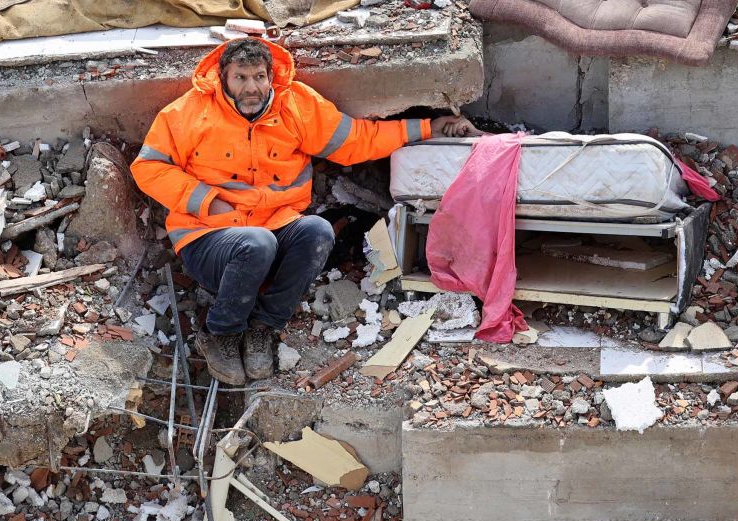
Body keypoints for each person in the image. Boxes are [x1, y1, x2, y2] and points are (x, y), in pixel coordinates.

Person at [131, 37, 480, 385]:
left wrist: (427, 128)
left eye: (259, 77)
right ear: (223, 77)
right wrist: (207, 201)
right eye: (241, 78)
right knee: (257, 244)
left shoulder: (296, 105)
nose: (251, 87)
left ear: (271, 77)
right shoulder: (189, 111)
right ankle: (221, 334)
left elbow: (356, 140)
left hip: (274, 231)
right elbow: (148, 168)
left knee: (317, 231)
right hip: (209, 239)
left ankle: (263, 328)